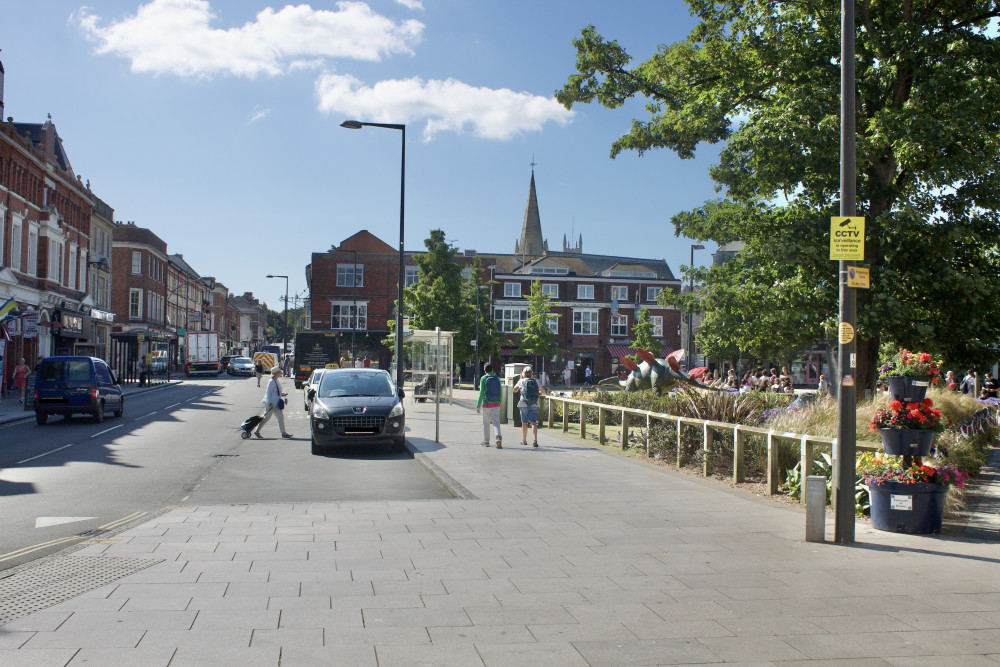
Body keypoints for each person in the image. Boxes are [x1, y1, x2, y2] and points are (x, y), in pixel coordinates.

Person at [254, 366, 292, 439]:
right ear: (275, 373)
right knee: (266, 418)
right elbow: (268, 393)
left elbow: (276, 392)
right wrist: (270, 402)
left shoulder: (276, 381)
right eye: (279, 372)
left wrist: (282, 394)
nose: (281, 373)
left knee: (280, 418)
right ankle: (257, 431)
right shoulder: (271, 381)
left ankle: (283, 433)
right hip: (271, 403)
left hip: (276, 403)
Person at [513, 366, 543, 447]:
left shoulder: (521, 381)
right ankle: (535, 440)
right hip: (534, 404)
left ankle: (524, 440)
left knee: (524, 423)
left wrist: (520, 378)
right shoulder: (536, 381)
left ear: (523, 374)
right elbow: (543, 391)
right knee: (534, 423)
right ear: (531, 374)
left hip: (523, 404)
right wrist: (537, 393)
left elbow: (514, 390)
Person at [476, 363, 503, 448]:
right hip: (496, 403)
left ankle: (486, 442)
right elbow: (500, 392)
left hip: (486, 404)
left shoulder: (483, 378)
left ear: (484, 370)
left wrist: (478, 405)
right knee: (496, 422)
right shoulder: (497, 378)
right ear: (492, 370)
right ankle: (498, 438)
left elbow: (481, 393)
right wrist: (499, 402)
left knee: (486, 423)